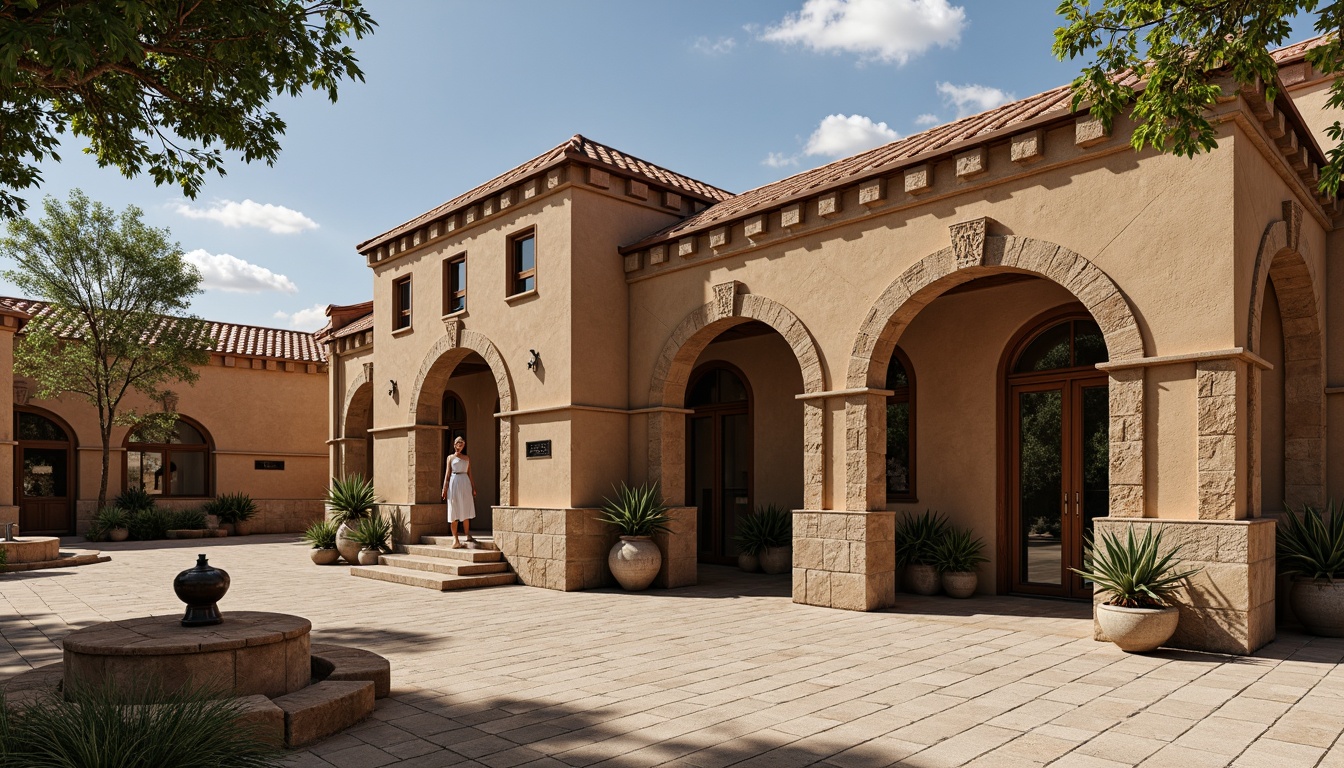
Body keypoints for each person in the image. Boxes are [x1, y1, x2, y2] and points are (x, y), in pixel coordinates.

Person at [441, 436, 477, 548]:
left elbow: (470, 473)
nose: (460, 446)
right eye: (458, 443)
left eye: (462, 444)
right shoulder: (450, 458)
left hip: (465, 482)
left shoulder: (467, 458)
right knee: (454, 509)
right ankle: (455, 539)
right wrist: (444, 488)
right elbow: (447, 474)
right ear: (454, 444)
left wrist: (473, 487)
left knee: (465, 508)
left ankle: (467, 534)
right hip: (454, 482)